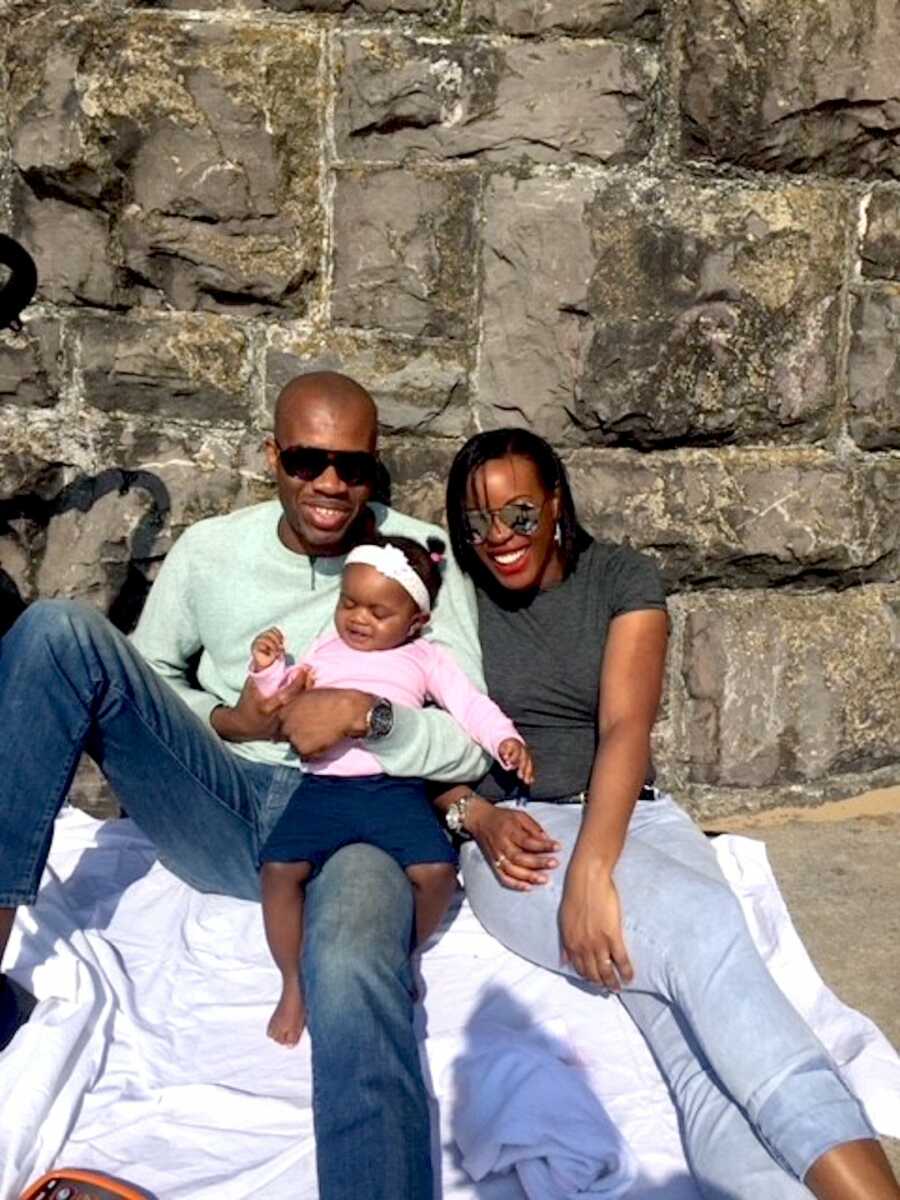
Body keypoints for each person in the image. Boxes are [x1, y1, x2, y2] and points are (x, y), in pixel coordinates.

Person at [0, 371, 491, 1200]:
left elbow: (469, 738)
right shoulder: (211, 551)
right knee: (55, 631)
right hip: (225, 800)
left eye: (352, 465)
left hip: (359, 817)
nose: (330, 484)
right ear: (274, 456)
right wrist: (238, 720)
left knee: (352, 966)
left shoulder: (424, 560)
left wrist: (365, 718)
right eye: (307, 460)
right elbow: (150, 679)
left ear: (374, 468)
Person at [436, 427, 900, 1200]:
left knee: (689, 1031)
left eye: (517, 514)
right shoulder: (454, 592)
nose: (497, 540)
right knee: (702, 935)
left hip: (632, 814)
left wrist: (595, 871)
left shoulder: (620, 576)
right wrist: (470, 818)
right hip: (517, 831)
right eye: (475, 522)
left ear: (555, 501)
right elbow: (408, 726)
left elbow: (625, 727)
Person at [250, 533, 532, 1045]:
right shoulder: (323, 647)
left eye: (378, 612)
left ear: (415, 621)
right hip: (322, 790)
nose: (358, 618)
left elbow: (469, 706)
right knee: (277, 871)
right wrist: (268, 669)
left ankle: (403, 955)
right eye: (349, 603)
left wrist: (504, 739)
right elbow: (283, 699)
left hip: (393, 790)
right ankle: (292, 982)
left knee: (438, 872)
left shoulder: (425, 658)